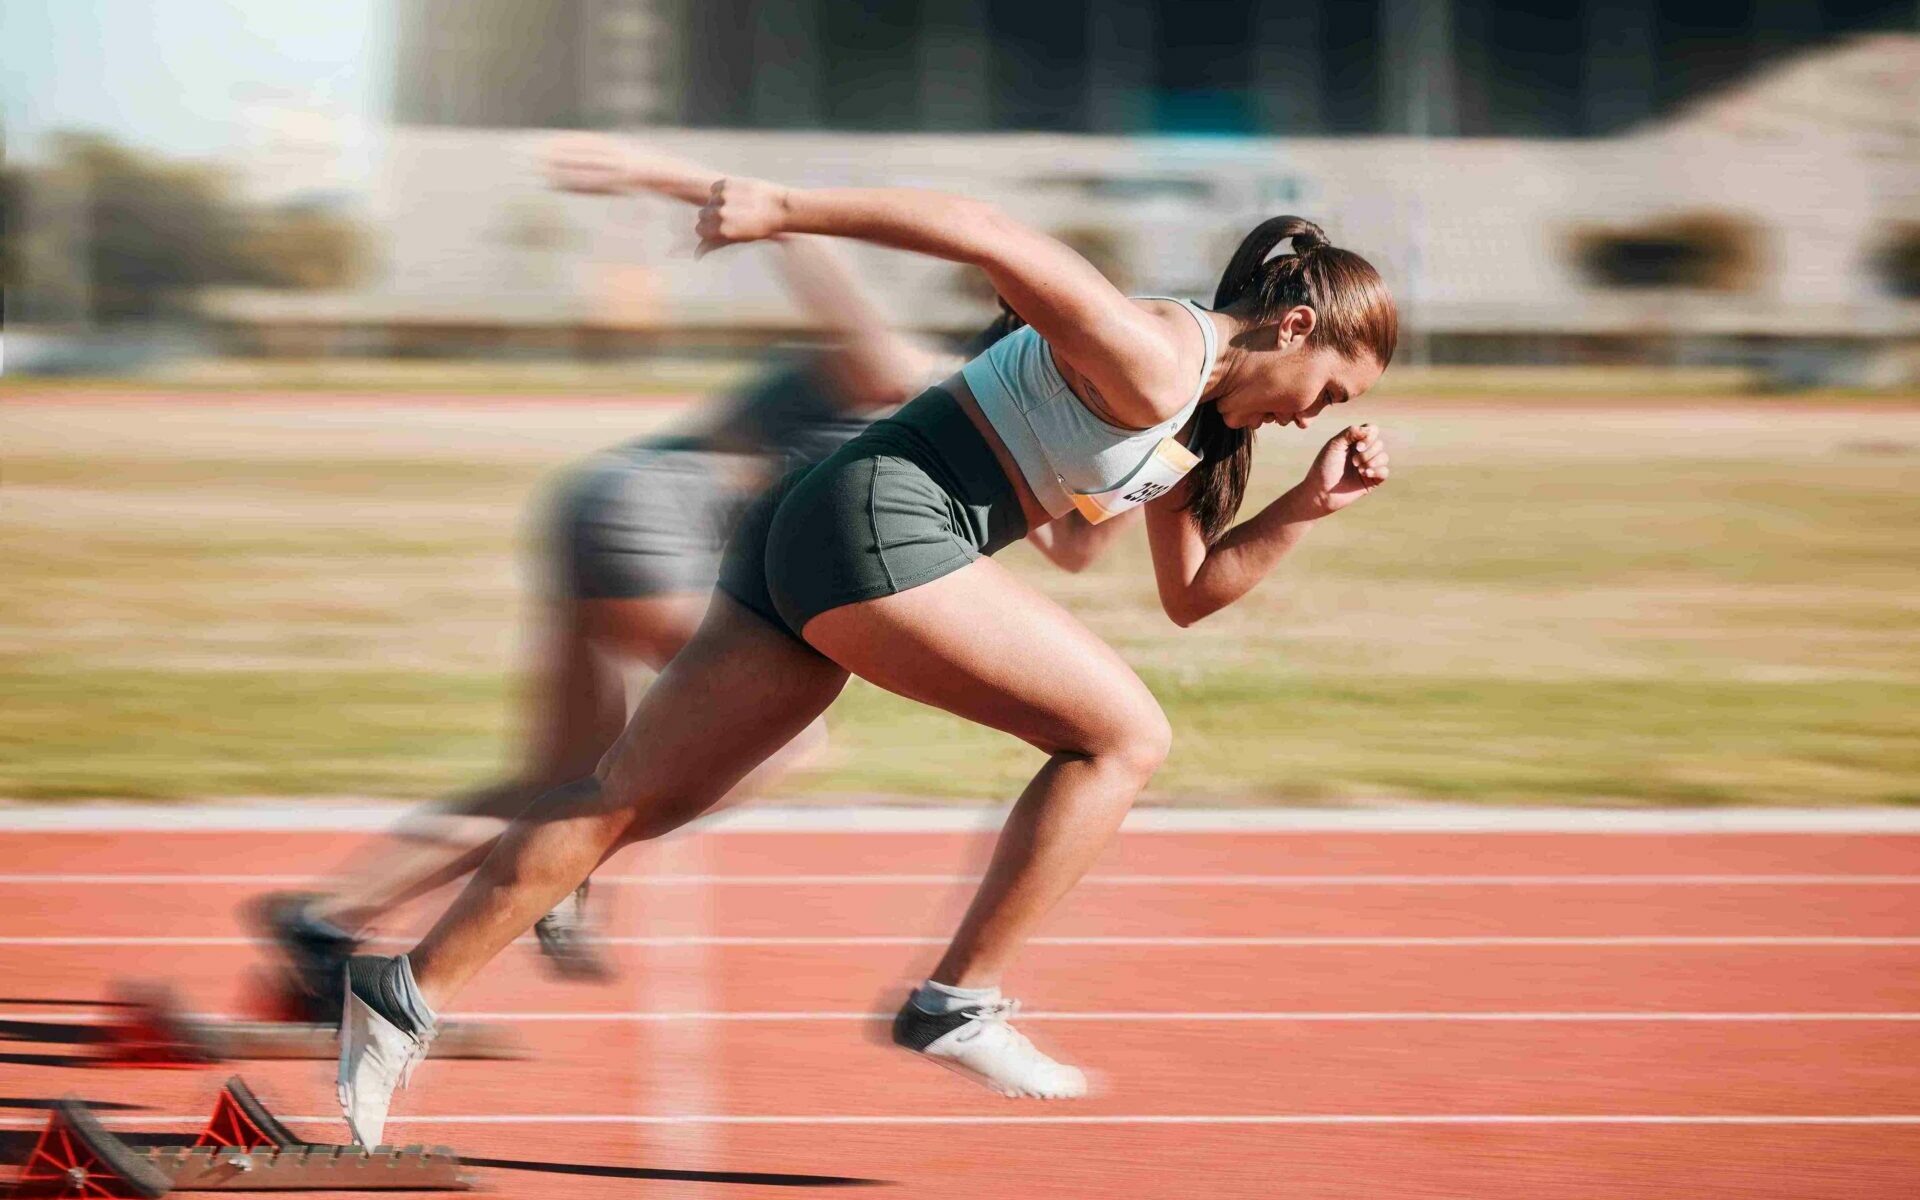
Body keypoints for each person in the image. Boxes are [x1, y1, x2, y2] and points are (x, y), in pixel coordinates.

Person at [333, 171, 1396, 1147]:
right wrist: (781, 209)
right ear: (1296, 325)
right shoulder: (1159, 351)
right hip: (878, 517)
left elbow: (1176, 589)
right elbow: (986, 230)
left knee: (627, 800)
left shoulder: (1198, 428)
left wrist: (1305, 506)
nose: (1316, 419)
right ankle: (956, 1002)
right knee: (1124, 736)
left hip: (819, 526)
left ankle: (402, 996)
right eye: (1330, 391)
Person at [255, 140, 1132, 1020]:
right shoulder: (917, 377)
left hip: (603, 506)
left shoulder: (1006, 454)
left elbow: (1077, 548)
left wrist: (1151, 456)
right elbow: (811, 255)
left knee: (559, 776)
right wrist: (666, 176)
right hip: (650, 522)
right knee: (772, 743)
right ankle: (557, 875)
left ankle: (325, 923)